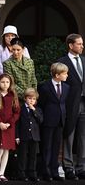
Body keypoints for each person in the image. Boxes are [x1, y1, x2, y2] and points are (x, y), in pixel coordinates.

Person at [57, 34, 84, 180]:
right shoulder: (62, 62)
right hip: (69, 104)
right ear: (70, 45)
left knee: (83, 137)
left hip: (84, 103)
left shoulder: (84, 61)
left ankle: (81, 167)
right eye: (79, 44)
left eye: (82, 44)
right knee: (69, 134)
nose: (81, 46)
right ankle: (68, 167)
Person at [38, 63, 68, 182]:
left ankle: (55, 171)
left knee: (56, 147)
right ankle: (46, 172)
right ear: (57, 75)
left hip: (60, 120)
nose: (67, 75)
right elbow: (41, 105)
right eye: (65, 73)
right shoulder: (45, 87)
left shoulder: (66, 87)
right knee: (46, 147)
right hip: (48, 120)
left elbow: (64, 103)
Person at [0, 73, 20, 182]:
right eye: (3, 82)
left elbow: (17, 112)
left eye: (7, 82)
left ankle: (2, 173)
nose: (5, 84)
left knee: (6, 151)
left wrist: (9, 123)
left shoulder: (13, 96)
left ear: (10, 83)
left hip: (9, 127)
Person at [15, 88, 43, 182]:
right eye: (29, 98)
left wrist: (34, 110)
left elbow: (40, 120)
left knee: (33, 156)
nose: (31, 100)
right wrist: (17, 136)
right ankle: (21, 174)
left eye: (33, 99)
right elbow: (17, 124)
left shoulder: (37, 109)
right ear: (25, 99)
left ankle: (32, 173)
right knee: (22, 155)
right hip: (24, 136)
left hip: (34, 136)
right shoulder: (21, 109)